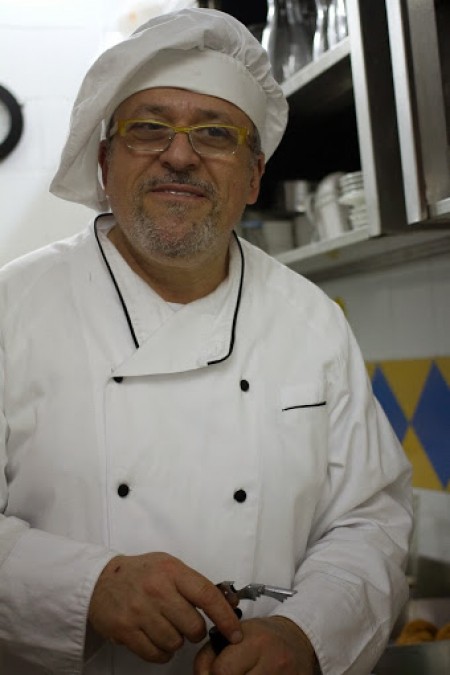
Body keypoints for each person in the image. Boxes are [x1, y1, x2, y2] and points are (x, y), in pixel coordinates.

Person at [0, 7, 412, 675]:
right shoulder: (11, 309)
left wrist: (306, 633)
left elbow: (370, 519)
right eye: (149, 127)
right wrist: (82, 586)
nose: (180, 153)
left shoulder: (311, 321)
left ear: (253, 176)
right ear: (104, 161)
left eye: (216, 133)